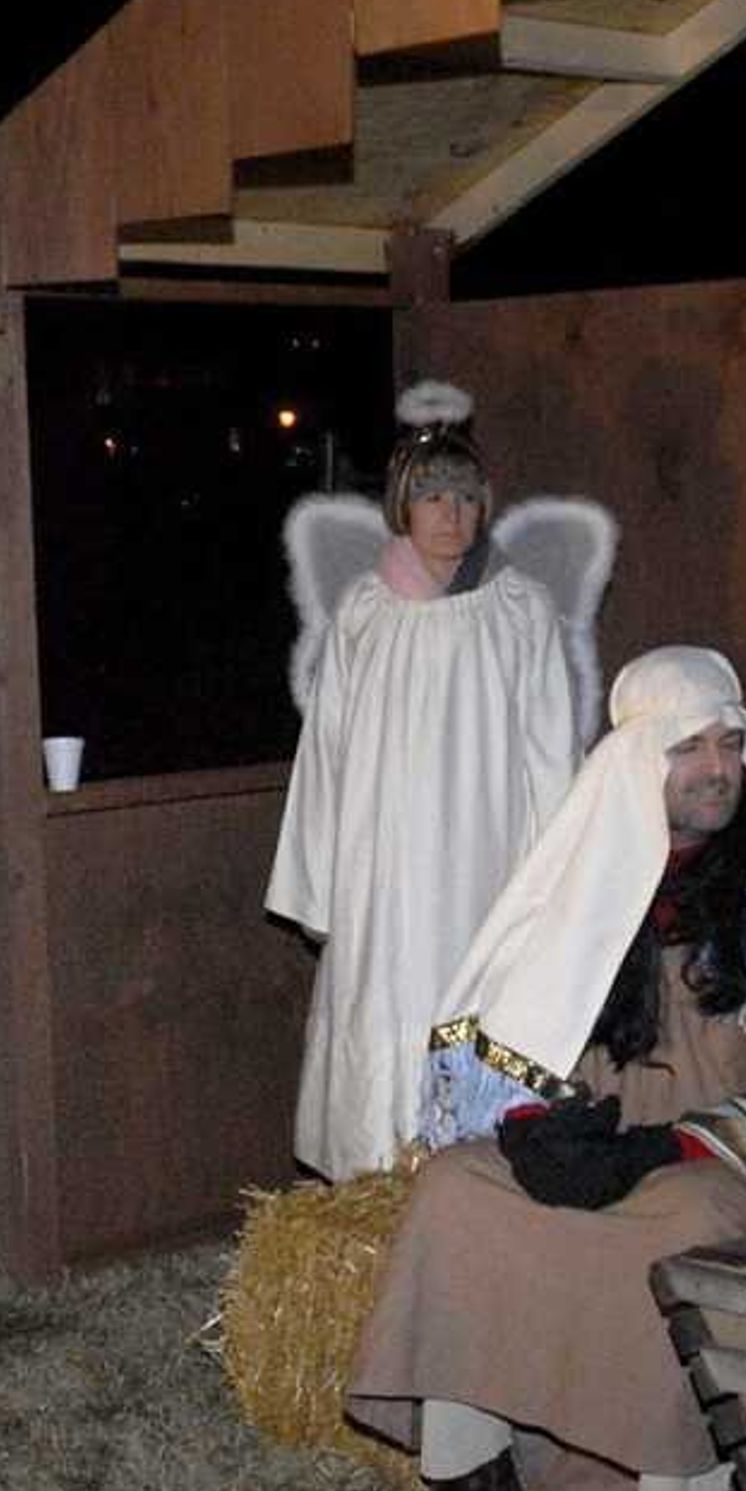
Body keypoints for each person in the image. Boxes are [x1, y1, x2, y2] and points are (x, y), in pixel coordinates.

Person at [348, 644, 746, 1491]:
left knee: (673, 1228)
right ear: (635, 769)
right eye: (689, 749)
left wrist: (667, 1143)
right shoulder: (592, 892)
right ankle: (472, 1474)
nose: (717, 767)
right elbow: (541, 1038)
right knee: (459, 1188)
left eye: (729, 744)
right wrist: (549, 1119)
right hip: (630, 1147)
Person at [267, 382, 584, 1178]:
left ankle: (471, 1174)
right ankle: (376, 1173)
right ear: (404, 506)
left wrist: (556, 884)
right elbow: (327, 754)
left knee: (471, 1005)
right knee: (385, 1008)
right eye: (435, 496)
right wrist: (319, 883)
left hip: (484, 866)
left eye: (467, 498)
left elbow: (550, 750)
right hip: (383, 871)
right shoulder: (367, 615)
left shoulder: (518, 612)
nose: (453, 514)